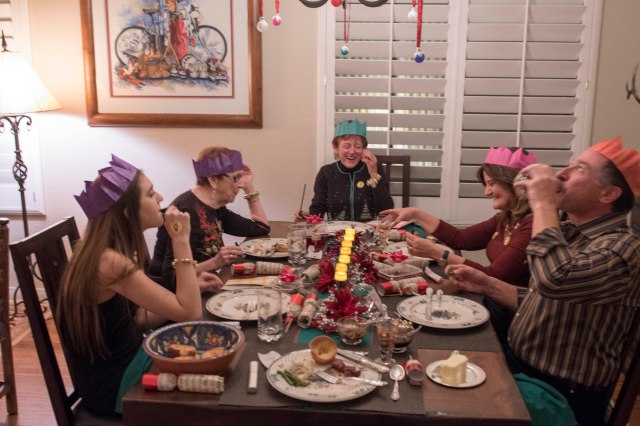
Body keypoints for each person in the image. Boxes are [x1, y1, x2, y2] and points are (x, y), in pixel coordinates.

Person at [445, 137, 640, 425]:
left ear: (608, 194)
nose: (562, 174)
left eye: (580, 169)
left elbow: (555, 279)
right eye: (570, 165)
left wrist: (542, 201)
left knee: (438, 407)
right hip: (520, 367)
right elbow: (547, 299)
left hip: (560, 395)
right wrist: (487, 284)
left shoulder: (623, 248)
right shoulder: (571, 233)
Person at [57, 155, 202, 417]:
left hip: (125, 359)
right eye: (151, 193)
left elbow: (137, 317)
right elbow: (190, 313)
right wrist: (181, 239)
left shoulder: (109, 251)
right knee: (216, 378)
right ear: (128, 212)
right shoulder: (110, 262)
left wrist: (192, 290)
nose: (160, 198)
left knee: (210, 352)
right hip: (115, 386)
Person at [383, 146, 537, 287]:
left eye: (491, 183)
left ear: (514, 184)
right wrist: (415, 213)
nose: (487, 192)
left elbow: (492, 277)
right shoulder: (505, 218)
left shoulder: (533, 226)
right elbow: (460, 238)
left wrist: (437, 253)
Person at [151, 147, 270, 292]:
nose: (240, 184)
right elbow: (171, 276)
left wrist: (250, 188)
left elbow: (260, 228)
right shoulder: (187, 213)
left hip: (203, 284)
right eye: (236, 178)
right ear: (213, 179)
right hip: (172, 294)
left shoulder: (215, 206)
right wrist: (215, 263)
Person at [296, 119, 394, 222]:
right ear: (336, 148)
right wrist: (308, 217)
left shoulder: (375, 168)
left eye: (357, 146)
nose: (352, 151)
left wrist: (373, 175)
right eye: (346, 146)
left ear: (364, 149)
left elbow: (386, 211)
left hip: (368, 231)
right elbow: (318, 209)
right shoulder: (326, 172)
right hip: (335, 231)